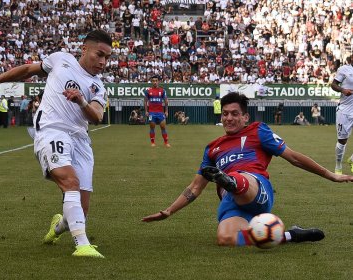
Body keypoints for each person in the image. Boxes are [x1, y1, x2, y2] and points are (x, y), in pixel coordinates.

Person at [142, 92, 353, 248]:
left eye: (235, 114)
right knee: (225, 239)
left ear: (245, 118)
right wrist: (169, 211)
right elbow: (195, 188)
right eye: (225, 114)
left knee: (237, 178)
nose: (229, 118)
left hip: (257, 189)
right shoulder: (212, 148)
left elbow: (295, 158)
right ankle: (290, 235)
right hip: (233, 203)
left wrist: (330, 175)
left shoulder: (258, 131)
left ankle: (231, 182)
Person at [0, 29, 112, 258]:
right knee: (70, 182)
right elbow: (26, 70)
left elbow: (97, 116)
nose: (102, 62)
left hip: (80, 139)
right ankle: (81, 245)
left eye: (107, 58)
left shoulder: (98, 86)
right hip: (51, 130)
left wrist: (82, 101)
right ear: (84, 49)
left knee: (82, 209)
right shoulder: (61, 59)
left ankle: (57, 228)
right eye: (99, 54)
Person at [331, 56, 353, 174]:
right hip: (345, 110)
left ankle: (352, 160)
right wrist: (343, 90)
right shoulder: (344, 69)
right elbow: (333, 85)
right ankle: (338, 164)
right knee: (342, 140)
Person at [144, 75, 170, 147]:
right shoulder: (148, 91)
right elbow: (145, 101)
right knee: (152, 127)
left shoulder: (162, 91)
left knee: (163, 127)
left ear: (158, 81)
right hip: (151, 113)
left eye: (156, 81)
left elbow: (166, 101)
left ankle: (166, 142)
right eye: (153, 81)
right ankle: (152, 142)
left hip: (160, 112)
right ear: (151, 82)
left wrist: (166, 111)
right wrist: (146, 111)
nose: (155, 82)